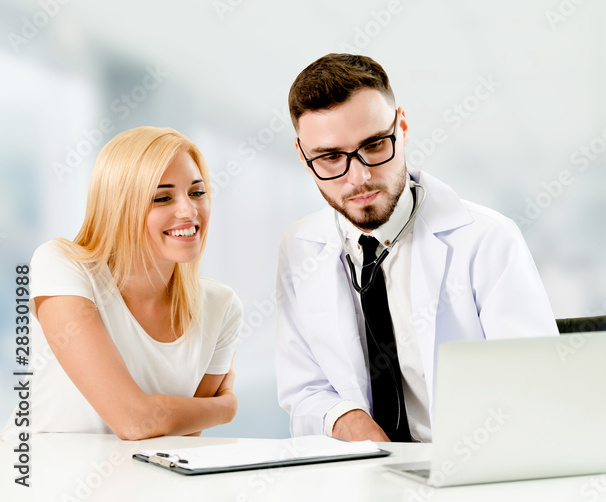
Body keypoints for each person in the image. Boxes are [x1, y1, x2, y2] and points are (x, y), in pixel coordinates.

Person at [276, 54, 558, 442]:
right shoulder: (300, 249)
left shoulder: (488, 240)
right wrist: (350, 423)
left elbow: (539, 387)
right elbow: (305, 389)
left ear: (402, 127)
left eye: (374, 145)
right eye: (330, 158)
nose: (359, 177)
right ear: (304, 158)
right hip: (363, 474)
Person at [0, 127, 242, 441]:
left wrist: (188, 415)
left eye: (197, 192)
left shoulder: (221, 305)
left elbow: (181, 438)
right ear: (120, 207)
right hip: (41, 483)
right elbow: (134, 422)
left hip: (140, 486)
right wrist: (226, 409)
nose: (189, 210)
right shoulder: (61, 265)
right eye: (162, 197)